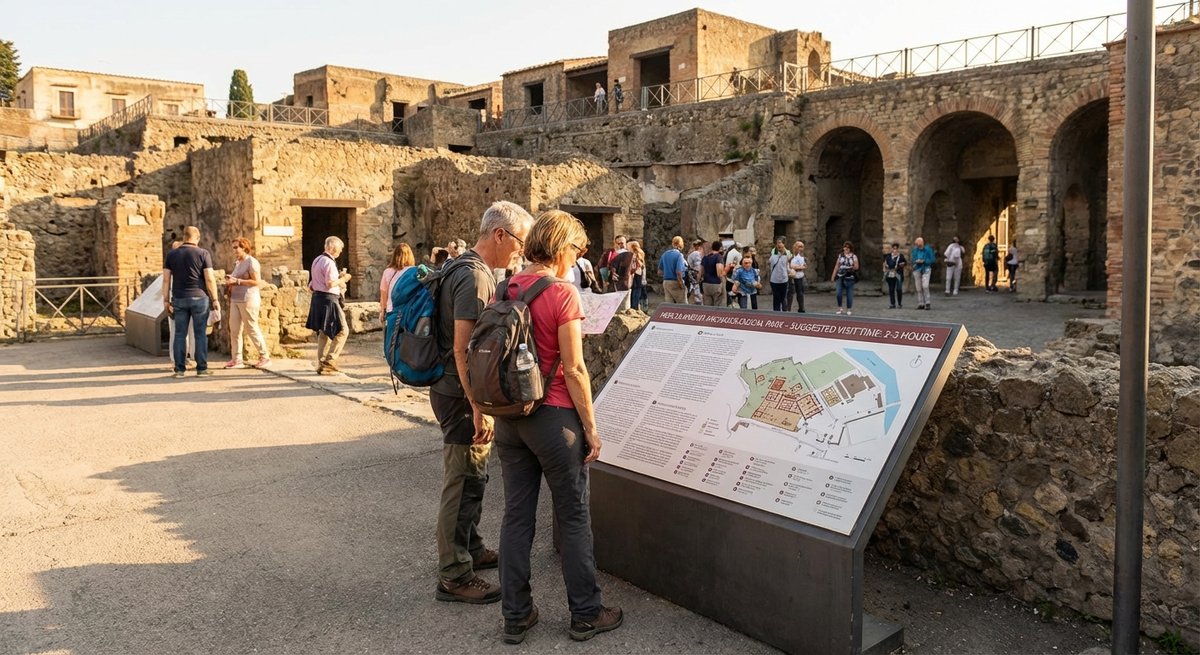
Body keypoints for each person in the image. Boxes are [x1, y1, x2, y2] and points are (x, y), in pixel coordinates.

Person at [493, 210, 622, 645]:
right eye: (577, 249)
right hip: (554, 417)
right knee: (572, 516)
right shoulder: (562, 293)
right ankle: (586, 613)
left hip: (511, 417)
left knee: (516, 516)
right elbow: (575, 368)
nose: (577, 257)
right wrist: (592, 427)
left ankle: (516, 615)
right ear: (561, 246)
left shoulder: (506, 287)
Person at [432, 200, 534, 605]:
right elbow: (464, 349)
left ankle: (470, 548)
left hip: (452, 389)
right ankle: (454, 574)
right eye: (520, 242)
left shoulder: (461, 266)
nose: (521, 251)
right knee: (462, 479)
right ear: (500, 235)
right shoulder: (474, 277)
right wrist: (479, 408)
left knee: (473, 475)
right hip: (459, 393)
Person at [163, 226, 219, 378]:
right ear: (197, 238)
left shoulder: (172, 255)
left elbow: (166, 280)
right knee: (200, 334)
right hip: (200, 298)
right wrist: (215, 299)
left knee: (179, 334)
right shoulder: (203, 253)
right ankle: (201, 369)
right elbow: (209, 278)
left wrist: (166, 301)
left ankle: (179, 370)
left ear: (184, 237)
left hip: (179, 298)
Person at [306, 237, 352, 375]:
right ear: (333, 248)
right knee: (343, 330)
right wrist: (344, 278)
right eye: (340, 248)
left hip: (318, 298)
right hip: (329, 299)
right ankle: (330, 361)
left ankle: (321, 363)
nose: (341, 251)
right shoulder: (329, 262)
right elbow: (330, 283)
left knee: (324, 331)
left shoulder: (317, 260)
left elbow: (311, 285)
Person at [223, 237, 270, 369]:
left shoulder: (252, 262)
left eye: (236, 247)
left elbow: (257, 282)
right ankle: (237, 359)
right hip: (235, 299)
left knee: (251, 328)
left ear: (244, 248)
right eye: (233, 248)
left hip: (248, 299)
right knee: (234, 330)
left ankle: (265, 356)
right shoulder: (238, 262)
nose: (234, 250)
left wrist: (237, 281)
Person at [165, 240, 196, 369]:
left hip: (187, 301)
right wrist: (168, 302)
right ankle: (176, 359)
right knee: (176, 332)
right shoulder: (172, 269)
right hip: (176, 302)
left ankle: (188, 357)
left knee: (189, 331)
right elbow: (167, 284)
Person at [378, 243, 416, 324]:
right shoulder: (413, 272)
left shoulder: (387, 272)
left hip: (392, 312)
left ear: (395, 255)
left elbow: (383, 294)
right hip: (409, 313)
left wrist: (382, 311)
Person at [831, 241, 860, 315]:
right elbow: (837, 266)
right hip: (840, 276)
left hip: (849, 277)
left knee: (849, 294)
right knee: (838, 293)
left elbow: (857, 266)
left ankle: (849, 309)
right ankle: (840, 308)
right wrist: (833, 276)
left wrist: (850, 268)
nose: (846, 248)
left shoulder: (854, 256)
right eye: (845, 247)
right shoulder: (840, 256)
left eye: (848, 247)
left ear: (850, 248)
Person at [658, 235, 688, 304]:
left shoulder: (665, 254)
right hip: (676, 281)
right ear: (681, 244)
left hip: (666, 282)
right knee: (683, 304)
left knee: (670, 305)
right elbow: (678, 272)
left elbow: (659, 272)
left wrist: (667, 273)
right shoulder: (679, 255)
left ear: (672, 243)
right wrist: (681, 284)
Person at [910, 237, 935, 310]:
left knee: (925, 286)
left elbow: (932, 259)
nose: (916, 244)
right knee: (918, 287)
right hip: (917, 269)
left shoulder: (928, 249)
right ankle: (921, 303)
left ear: (922, 242)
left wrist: (924, 261)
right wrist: (916, 261)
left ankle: (927, 302)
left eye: (917, 242)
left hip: (926, 269)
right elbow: (913, 259)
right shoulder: (915, 250)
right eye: (916, 243)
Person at [768, 237, 792, 312]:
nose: (778, 245)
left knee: (783, 298)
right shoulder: (773, 253)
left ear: (784, 244)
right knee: (776, 298)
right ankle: (776, 314)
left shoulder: (788, 254)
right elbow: (770, 262)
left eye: (780, 243)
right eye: (777, 243)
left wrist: (791, 272)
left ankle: (784, 313)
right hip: (774, 280)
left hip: (784, 280)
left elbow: (788, 266)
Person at [700, 241, 726, 306]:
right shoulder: (718, 257)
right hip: (716, 284)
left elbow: (701, 272)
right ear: (720, 248)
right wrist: (726, 270)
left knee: (708, 306)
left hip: (706, 284)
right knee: (718, 305)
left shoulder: (705, 258)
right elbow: (719, 274)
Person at [884, 242, 907, 309]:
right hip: (890, 274)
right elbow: (885, 263)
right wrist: (886, 266)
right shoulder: (888, 256)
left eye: (896, 248)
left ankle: (899, 303)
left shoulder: (901, 256)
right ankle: (892, 303)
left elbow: (905, 263)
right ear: (892, 249)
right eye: (894, 248)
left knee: (899, 289)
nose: (895, 250)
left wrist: (902, 264)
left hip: (898, 274)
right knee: (891, 289)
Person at [627, 240, 648, 311]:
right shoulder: (640, 255)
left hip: (636, 277)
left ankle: (635, 309)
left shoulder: (635, 256)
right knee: (641, 295)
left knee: (635, 294)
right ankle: (643, 309)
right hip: (640, 278)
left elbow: (635, 267)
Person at [789, 240, 808, 313]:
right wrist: (799, 267)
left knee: (800, 293)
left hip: (800, 277)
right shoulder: (790, 256)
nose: (801, 248)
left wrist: (796, 267)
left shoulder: (803, 257)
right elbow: (789, 265)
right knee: (790, 293)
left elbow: (805, 266)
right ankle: (788, 309)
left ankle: (801, 308)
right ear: (795, 247)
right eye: (800, 246)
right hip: (791, 276)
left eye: (802, 247)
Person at [724, 242, 742, 307]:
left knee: (731, 296)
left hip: (730, 278)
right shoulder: (735, 254)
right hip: (733, 278)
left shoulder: (729, 254)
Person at [686, 239, 705, 304]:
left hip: (694, 275)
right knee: (699, 295)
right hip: (700, 276)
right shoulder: (699, 253)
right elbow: (699, 267)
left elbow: (690, 264)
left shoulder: (692, 254)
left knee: (696, 293)